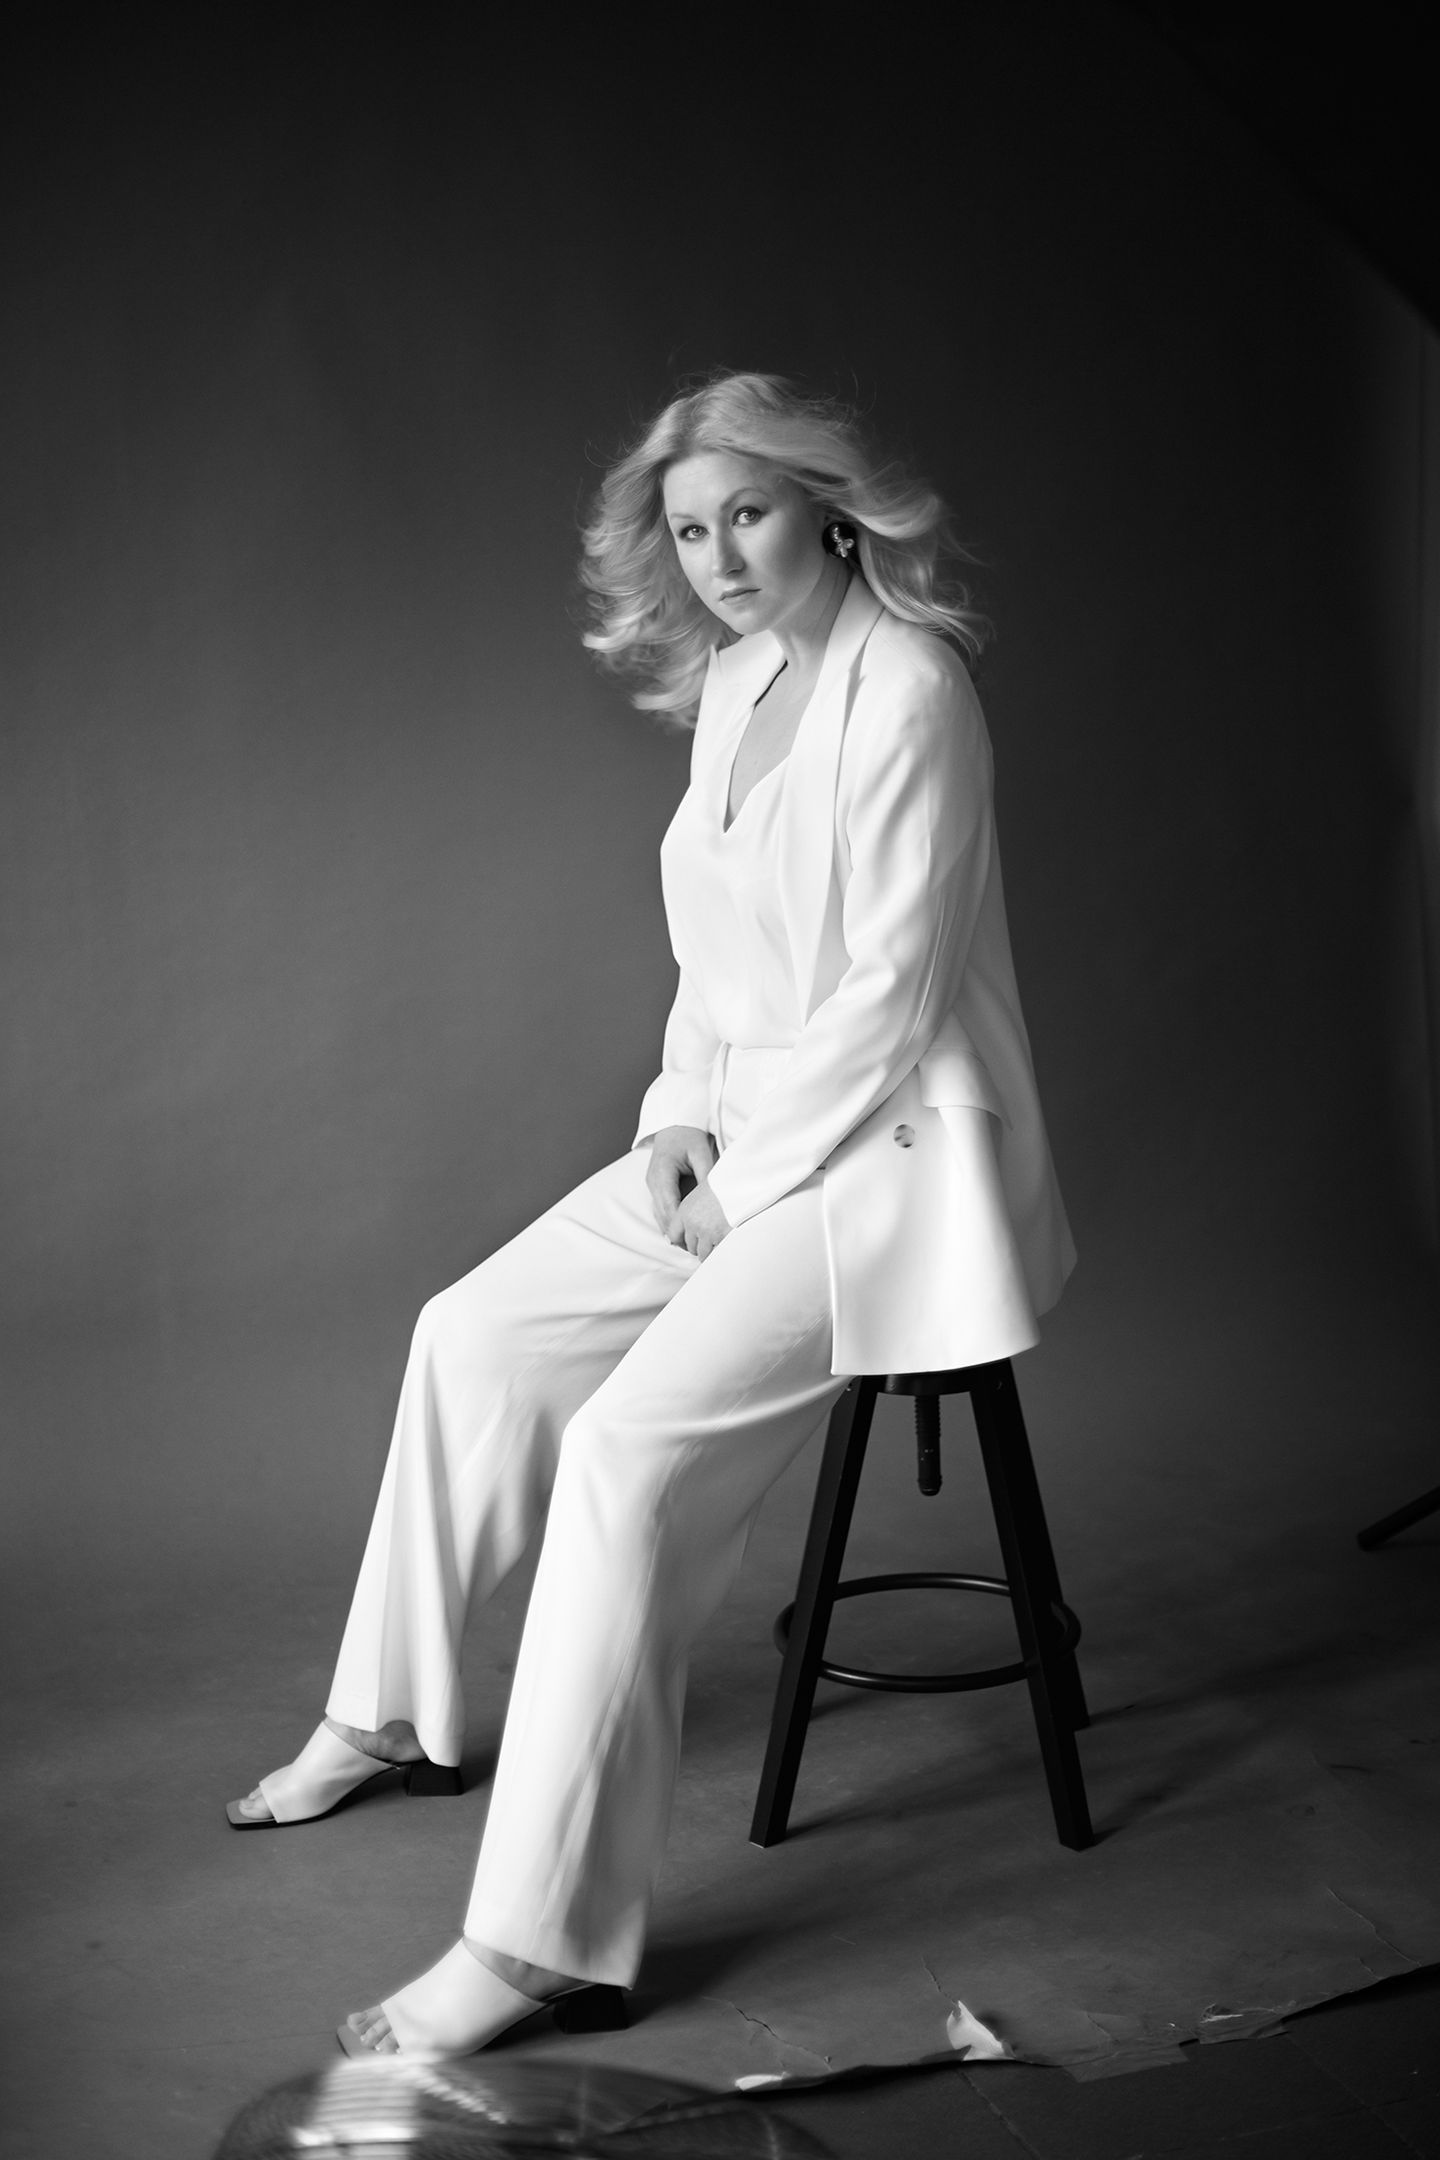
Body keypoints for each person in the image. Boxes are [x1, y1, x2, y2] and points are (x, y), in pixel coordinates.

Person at [227, 371, 1075, 2060]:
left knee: (624, 1454)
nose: (720, 560)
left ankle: (541, 1944)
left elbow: (893, 999)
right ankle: (393, 1714)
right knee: (470, 1333)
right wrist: (679, 1118)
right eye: (691, 531)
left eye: (747, 516)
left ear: (829, 509)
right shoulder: (737, 680)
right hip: (740, 1129)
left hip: (890, 1160)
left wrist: (744, 1188)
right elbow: (714, 959)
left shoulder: (914, 687)